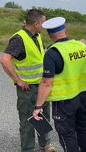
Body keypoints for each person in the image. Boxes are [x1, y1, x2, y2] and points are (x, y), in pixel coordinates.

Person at [32, 17, 86, 152]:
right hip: (82, 97)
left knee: (67, 135)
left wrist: (38, 106)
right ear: (65, 30)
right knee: (84, 129)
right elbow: (82, 42)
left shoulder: (52, 53)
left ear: (49, 35)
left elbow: (46, 83)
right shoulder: (80, 46)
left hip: (64, 102)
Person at [0, 9, 55, 152]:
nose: (44, 25)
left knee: (43, 116)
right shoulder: (19, 39)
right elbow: (5, 60)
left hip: (42, 86)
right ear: (36, 23)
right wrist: (18, 80)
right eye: (43, 22)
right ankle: (28, 149)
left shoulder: (36, 35)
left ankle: (45, 143)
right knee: (28, 121)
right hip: (28, 89)